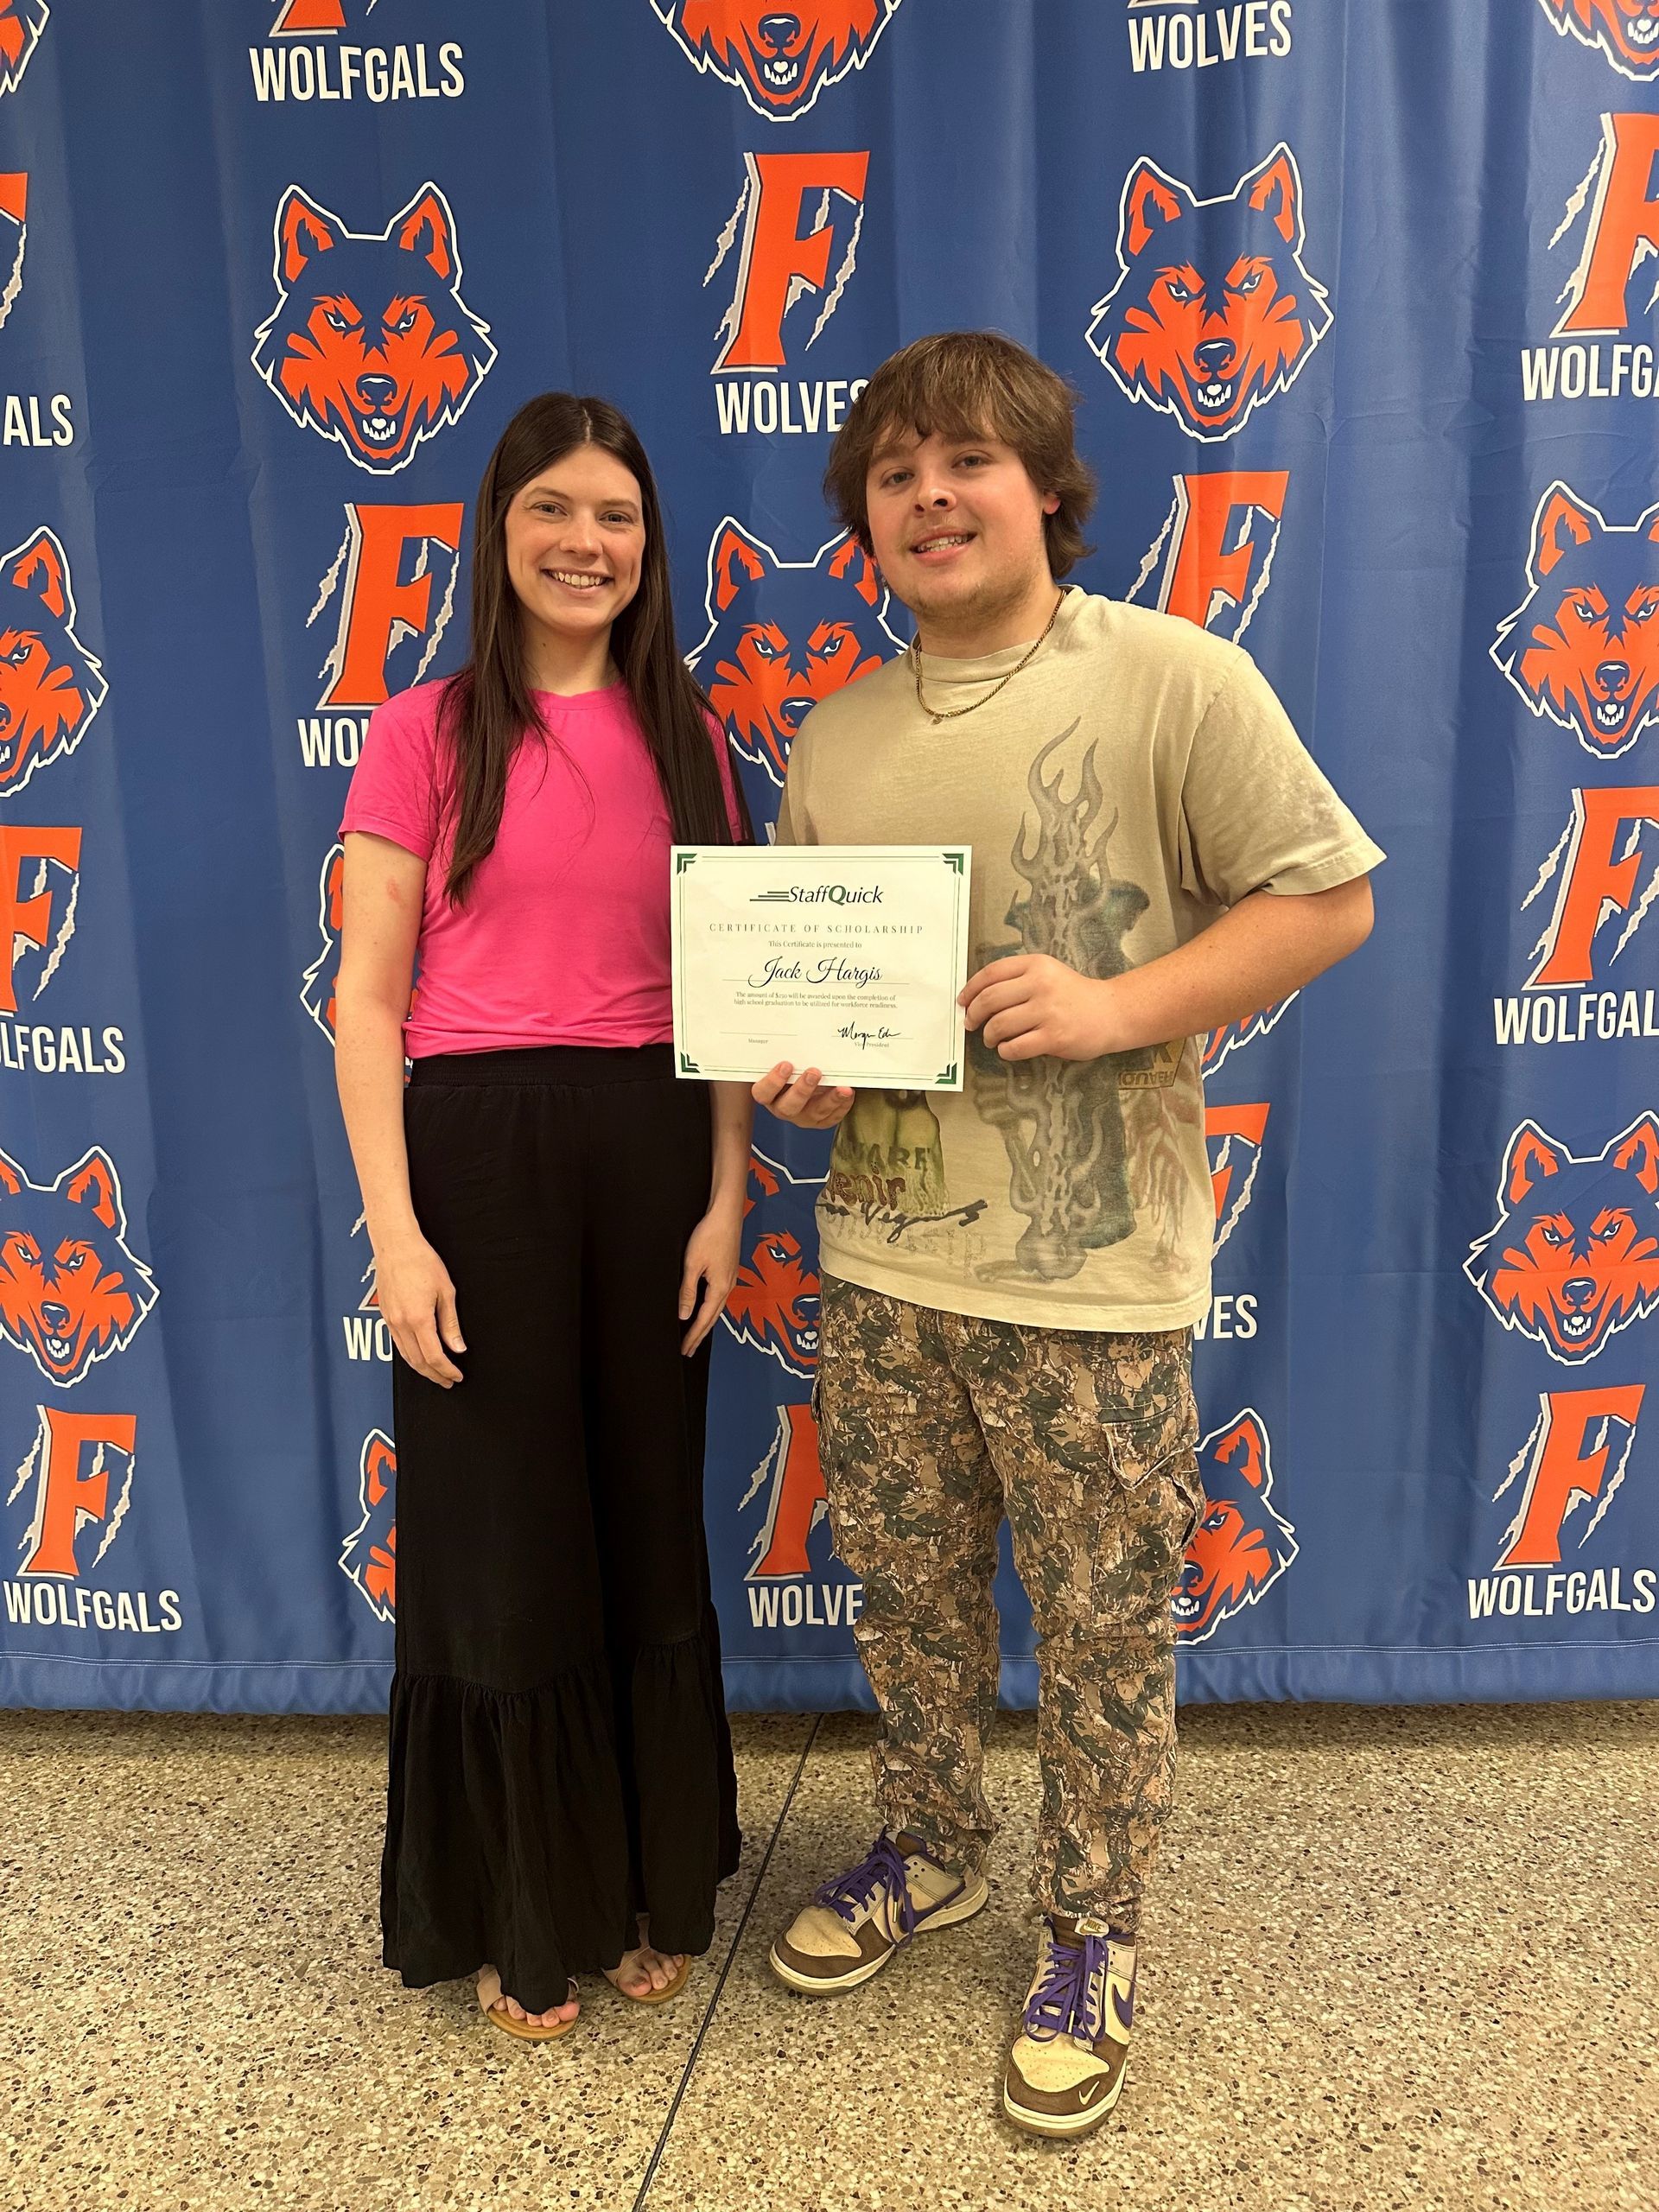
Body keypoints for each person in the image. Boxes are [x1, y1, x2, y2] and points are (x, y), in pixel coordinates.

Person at [755, 331, 1382, 2134]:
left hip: (1093, 1279)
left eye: (965, 461)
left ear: (1046, 487)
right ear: (863, 521)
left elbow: (1325, 899)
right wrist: (803, 1076)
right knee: (913, 1597)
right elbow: (820, 1009)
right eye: (892, 474)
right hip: (883, 1259)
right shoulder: (841, 731)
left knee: (1104, 1621)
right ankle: (936, 1841)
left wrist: (1119, 1007)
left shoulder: (1175, 679)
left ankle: (1096, 1928)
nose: (929, 496)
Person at [334, 392, 751, 2041]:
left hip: (653, 1143)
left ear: (650, 547)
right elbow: (369, 1003)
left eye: (620, 518)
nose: (589, 543)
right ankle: (527, 1911)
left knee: (646, 1512)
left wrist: (726, 1194)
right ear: (499, 527)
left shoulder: (693, 731)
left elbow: (725, 991)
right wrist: (398, 1230)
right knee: (505, 1535)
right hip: (477, 1152)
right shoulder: (424, 729)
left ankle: (646, 1881)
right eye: (555, 512)